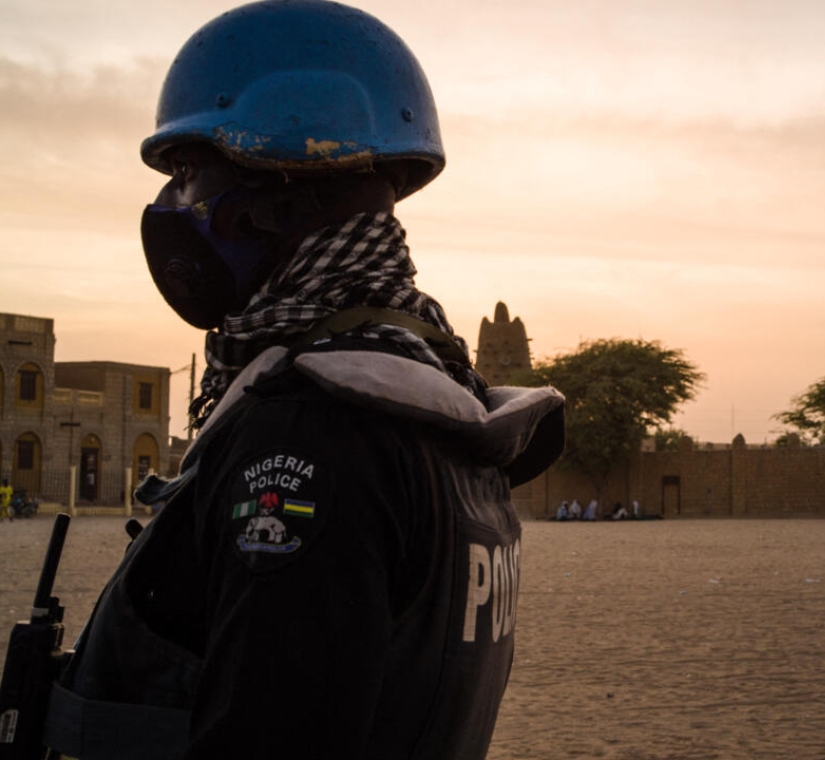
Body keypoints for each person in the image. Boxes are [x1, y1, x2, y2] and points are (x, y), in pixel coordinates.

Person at [41, 3, 564, 759]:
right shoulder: (441, 412)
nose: (171, 207)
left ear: (278, 192)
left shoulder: (309, 435)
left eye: (189, 174)